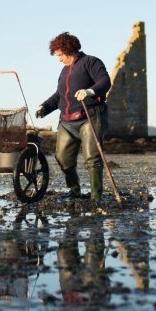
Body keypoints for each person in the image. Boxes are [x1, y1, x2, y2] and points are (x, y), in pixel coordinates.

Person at [36, 32, 110, 201]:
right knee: (62, 158)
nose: (59, 59)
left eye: (60, 54)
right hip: (67, 121)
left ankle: (95, 196)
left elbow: (105, 81)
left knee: (92, 158)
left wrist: (90, 91)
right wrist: (44, 107)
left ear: (69, 49)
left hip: (90, 116)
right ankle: (74, 190)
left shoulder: (91, 62)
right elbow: (59, 96)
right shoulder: (64, 70)